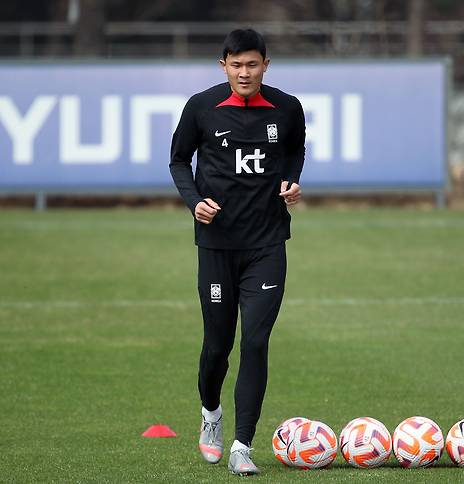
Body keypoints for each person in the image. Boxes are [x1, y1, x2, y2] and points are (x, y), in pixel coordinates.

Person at [169, 28, 305, 476]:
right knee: (217, 346)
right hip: (216, 246)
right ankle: (211, 416)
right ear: (223, 65)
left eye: (252, 64)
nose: (244, 73)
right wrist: (194, 202)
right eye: (236, 64)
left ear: (266, 64)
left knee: (257, 341)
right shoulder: (201, 107)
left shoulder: (287, 108)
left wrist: (289, 181)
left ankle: (242, 446)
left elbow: (293, 151)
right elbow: (178, 160)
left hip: (266, 244)